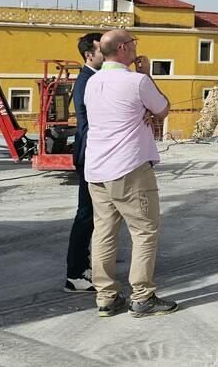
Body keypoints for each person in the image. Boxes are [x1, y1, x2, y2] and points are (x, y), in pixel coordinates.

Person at [84, 29, 178, 317]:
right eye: (133, 43)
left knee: (103, 233)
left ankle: (106, 297)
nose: (136, 47)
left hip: (96, 169)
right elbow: (162, 108)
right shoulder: (136, 81)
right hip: (129, 167)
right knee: (144, 231)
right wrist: (147, 74)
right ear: (124, 48)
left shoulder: (93, 81)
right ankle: (143, 296)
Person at [64, 32, 105, 293]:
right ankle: (75, 274)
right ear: (89, 54)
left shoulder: (93, 78)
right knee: (86, 215)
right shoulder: (87, 81)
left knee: (92, 216)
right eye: (102, 49)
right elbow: (89, 125)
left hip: (91, 154)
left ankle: (86, 265)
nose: (107, 53)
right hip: (90, 155)